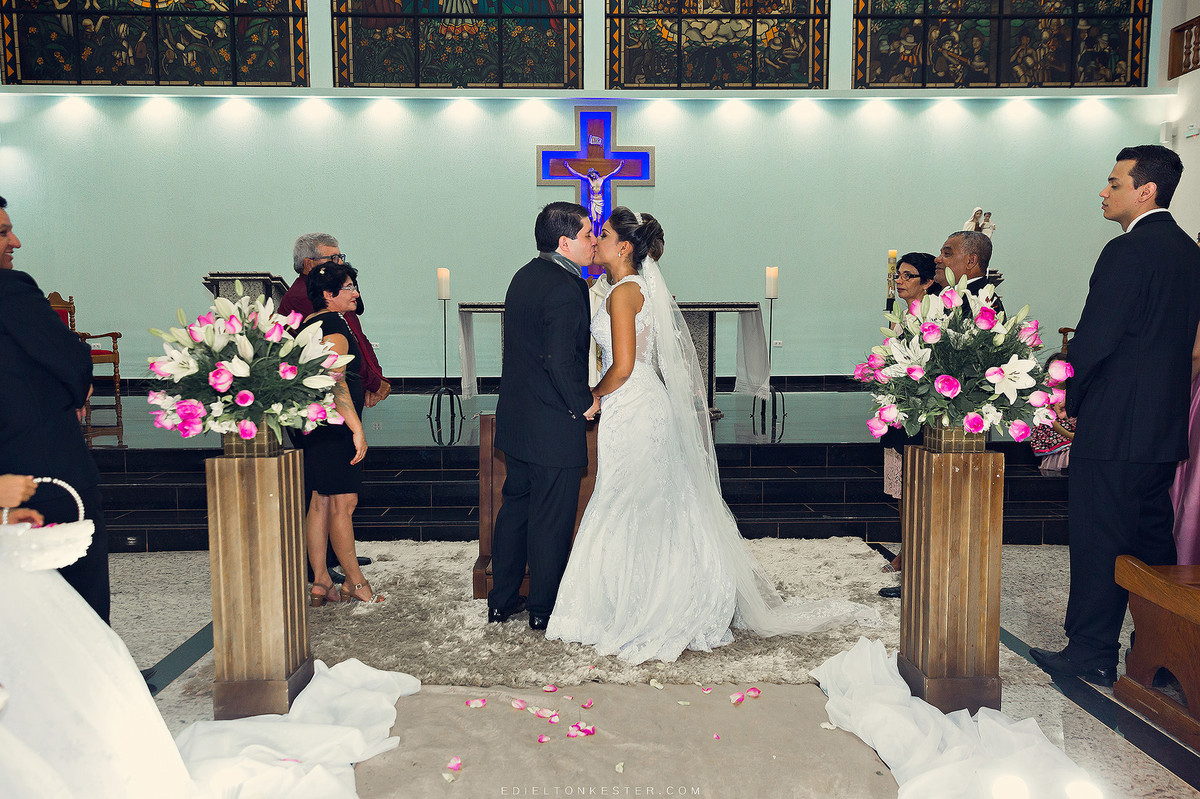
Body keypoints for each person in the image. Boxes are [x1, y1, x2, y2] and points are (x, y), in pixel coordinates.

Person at [545, 208, 875, 664]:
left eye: (603, 234)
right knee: (643, 498)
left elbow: (622, 366)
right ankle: (652, 594)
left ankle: (637, 605)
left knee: (628, 499)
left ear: (624, 247)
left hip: (631, 402)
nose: (596, 240)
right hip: (640, 402)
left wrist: (593, 395)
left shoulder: (623, 293)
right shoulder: (634, 288)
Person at [1030, 145, 1200, 686]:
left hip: (1115, 426)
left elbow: (1097, 337)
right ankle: (1166, 654)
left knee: (1099, 540)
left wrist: (1065, 396)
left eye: (1114, 183)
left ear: (1146, 190)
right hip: (1162, 427)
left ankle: (1091, 652)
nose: (1103, 192)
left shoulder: (1126, 251)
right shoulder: (1188, 252)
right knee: (1152, 544)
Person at [0, 196, 111, 624]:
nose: (16, 242)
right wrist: (72, 396)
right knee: (75, 610)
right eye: (3, 233)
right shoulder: (9, 289)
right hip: (41, 474)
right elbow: (71, 358)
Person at [488, 202, 598, 631]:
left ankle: (501, 601)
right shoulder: (567, 287)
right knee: (551, 520)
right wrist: (584, 402)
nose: (593, 241)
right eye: (587, 234)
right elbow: (559, 358)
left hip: (517, 421)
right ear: (564, 242)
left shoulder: (524, 275)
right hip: (552, 423)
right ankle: (543, 608)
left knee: (516, 510)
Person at [280, 233, 378, 581]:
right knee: (343, 503)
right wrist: (357, 429)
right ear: (328, 293)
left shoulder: (313, 321)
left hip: (318, 423)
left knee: (320, 501)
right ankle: (356, 582)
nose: (356, 293)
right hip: (334, 426)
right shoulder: (333, 326)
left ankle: (321, 579)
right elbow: (336, 382)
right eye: (348, 287)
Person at [280, 234, 390, 409]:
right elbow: (342, 354)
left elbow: (359, 338)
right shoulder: (305, 296)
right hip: (327, 396)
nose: (340, 263)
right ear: (308, 264)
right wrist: (375, 384)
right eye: (333, 258)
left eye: (340, 257)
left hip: (351, 386)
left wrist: (377, 378)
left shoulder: (335, 293)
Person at [933, 230, 1005, 315]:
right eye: (941, 253)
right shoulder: (939, 296)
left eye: (947, 254)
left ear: (971, 261)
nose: (937, 259)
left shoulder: (982, 306)